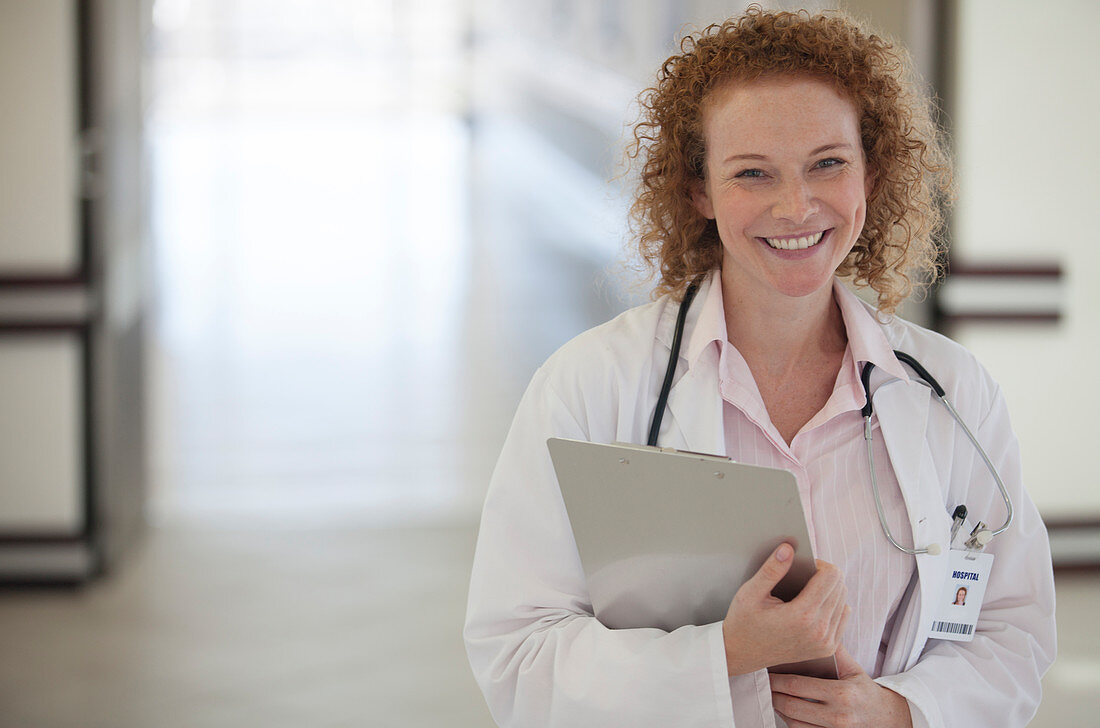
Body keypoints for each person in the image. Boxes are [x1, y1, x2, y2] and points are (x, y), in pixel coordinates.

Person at [464, 7, 1055, 728]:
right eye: (752, 173)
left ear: (873, 168)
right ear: (698, 191)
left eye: (828, 163)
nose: (796, 205)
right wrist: (721, 655)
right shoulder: (591, 385)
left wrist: (901, 711)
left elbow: (1013, 630)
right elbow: (519, 655)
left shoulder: (952, 391)